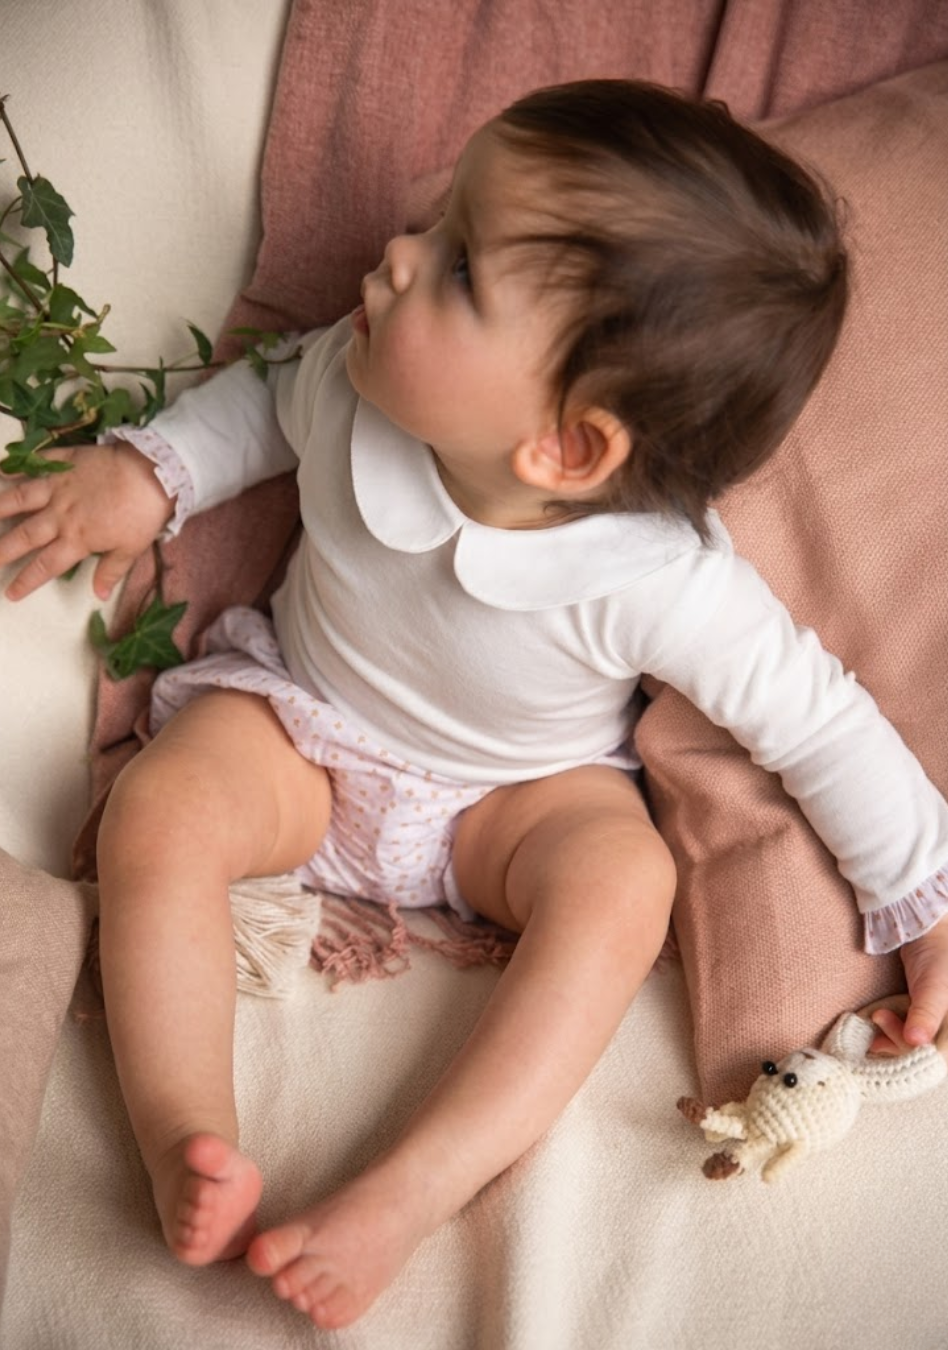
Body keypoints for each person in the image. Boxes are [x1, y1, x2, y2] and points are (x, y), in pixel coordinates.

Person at [2, 78, 947, 1330]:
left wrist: (925, 895)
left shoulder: (664, 579)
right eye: (438, 226)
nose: (393, 258)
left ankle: (407, 1192)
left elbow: (818, 725)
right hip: (303, 724)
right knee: (164, 807)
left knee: (624, 885)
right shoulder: (348, 378)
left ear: (566, 448)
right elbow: (255, 407)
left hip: (518, 798)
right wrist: (146, 476)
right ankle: (187, 1131)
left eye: (455, 269)